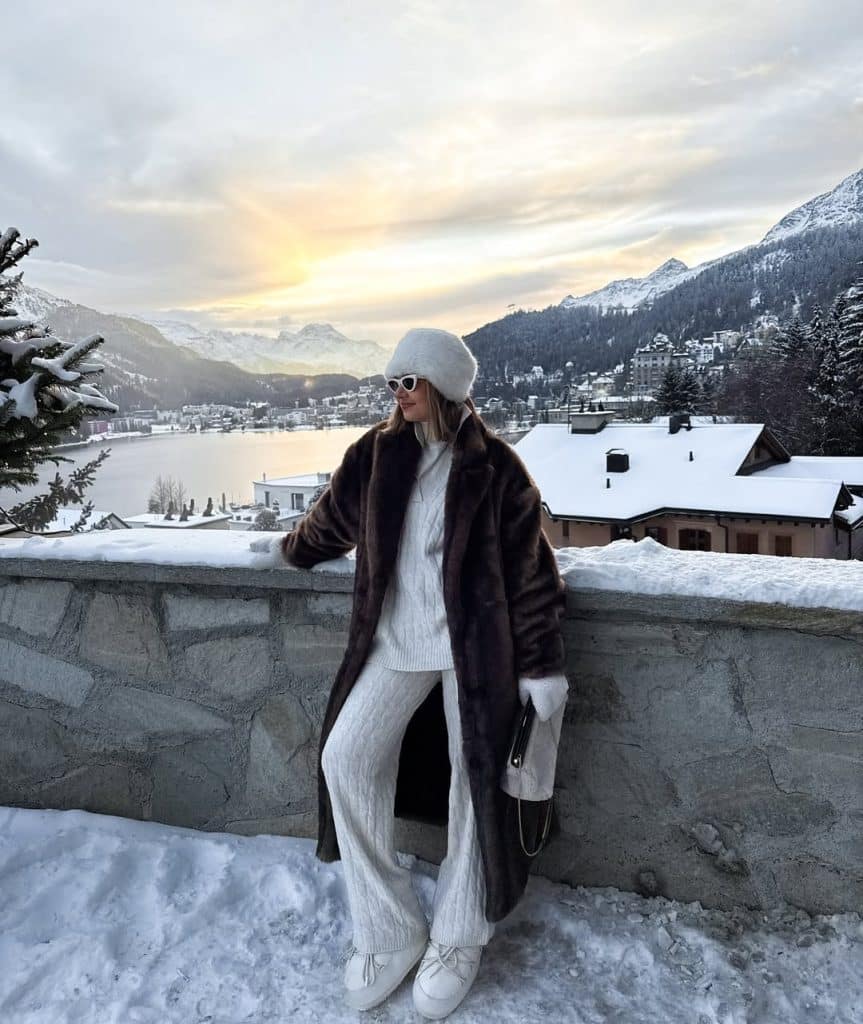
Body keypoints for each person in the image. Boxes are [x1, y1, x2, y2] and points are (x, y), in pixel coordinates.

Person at [251, 327, 568, 1019]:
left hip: (475, 656)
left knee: (474, 783)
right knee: (346, 758)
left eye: (409, 382)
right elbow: (331, 523)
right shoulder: (374, 454)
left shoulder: (496, 469)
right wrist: (284, 551)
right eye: (392, 381)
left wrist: (542, 666)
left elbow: (532, 575)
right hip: (392, 645)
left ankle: (460, 935)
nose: (397, 394)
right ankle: (388, 929)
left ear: (445, 387)